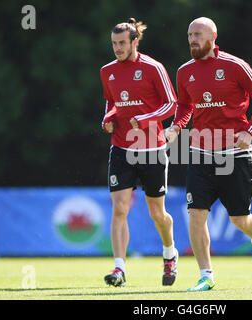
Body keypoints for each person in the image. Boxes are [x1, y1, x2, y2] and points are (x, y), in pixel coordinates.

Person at [165, 17, 252, 291]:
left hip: (235, 155)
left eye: (198, 34)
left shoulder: (235, 66)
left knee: (239, 219)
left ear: (213, 36)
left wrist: (250, 131)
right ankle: (206, 276)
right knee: (196, 214)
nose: (192, 39)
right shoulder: (184, 71)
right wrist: (177, 127)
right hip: (200, 153)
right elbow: (184, 106)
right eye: (189, 34)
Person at [100, 18, 178, 287]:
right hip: (121, 148)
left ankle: (169, 252)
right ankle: (119, 269)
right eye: (114, 44)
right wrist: (107, 118)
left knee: (157, 213)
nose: (117, 48)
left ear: (135, 42)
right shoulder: (107, 71)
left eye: (122, 43)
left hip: (152, 149)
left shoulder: (153, 67)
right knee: (119, 208)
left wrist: (145, 119)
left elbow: (171, 104)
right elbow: (112, 102)